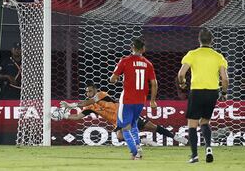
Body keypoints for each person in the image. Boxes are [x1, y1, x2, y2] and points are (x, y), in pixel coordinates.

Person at [57, 82, 188, 146]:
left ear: (95, 90)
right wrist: (64, 116)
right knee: (119, 137)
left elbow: (90, 100)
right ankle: (143, 140)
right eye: (87, 92)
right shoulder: (91, 106)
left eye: (90, 91)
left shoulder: (101, 95)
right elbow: (78, 116)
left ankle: (176, 137)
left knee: (153, 127)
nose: (88, 93)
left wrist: (71, 105)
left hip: (126, 114)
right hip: (118, 122)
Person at [177, 28, 229, 163]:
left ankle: (194, 155)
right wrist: (223, 93)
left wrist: (182, 84)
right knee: (205, 122)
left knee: (192, 124)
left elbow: (181, 74)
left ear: (199, 40)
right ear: (212, 40)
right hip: (212, 92)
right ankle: (208, 148)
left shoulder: (192, 54)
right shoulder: (218, 56)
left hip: (197, 91)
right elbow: (225, 78)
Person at [110, 38, 158, 160]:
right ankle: (138, 146)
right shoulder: (148, 63)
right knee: (134, 124)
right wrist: (152, 101)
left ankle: (135, 152)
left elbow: (113, 79)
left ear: (131, 48)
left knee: (125, 127)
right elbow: (154, 83)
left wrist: (117, 79)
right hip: (141, 100)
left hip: (127, 100)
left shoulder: (125, 61)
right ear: (143, 49)